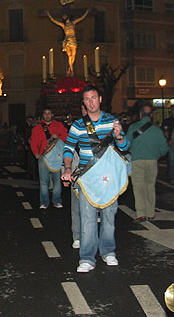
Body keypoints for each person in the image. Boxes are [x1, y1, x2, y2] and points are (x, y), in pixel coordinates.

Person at [62, 85, 129, 271]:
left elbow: (124, 146)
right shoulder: (77, 125)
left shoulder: (112, 121)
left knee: (108, 217)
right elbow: (68, 148)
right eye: (87, 99)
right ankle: (87, 258)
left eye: (94, 98)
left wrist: (119, 136)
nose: (91, 102)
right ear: (83, 102)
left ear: (100, 99)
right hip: (87, 178)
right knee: (87, 219)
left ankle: (108, 251)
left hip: (108, 178)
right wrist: (67, 168)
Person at [125, 103, 168, 221]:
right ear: (152, 115)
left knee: (138, 187)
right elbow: (164, 149)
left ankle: (141, 213)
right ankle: (150, 212)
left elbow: (126, 143)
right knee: (150, 186)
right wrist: (157, 155)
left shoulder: (133, 128)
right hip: (152, 161)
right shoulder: (157, 131)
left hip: (137, 160)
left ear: (140, 114)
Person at [30, 107, 68, 209]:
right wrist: (36, 153)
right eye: (45, 113)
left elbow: (66, 137)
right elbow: (33, 142)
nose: (47, 115)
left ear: (52, 115)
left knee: (57, 181)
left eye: (49, 113)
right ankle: (44, 202)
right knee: (43, 181)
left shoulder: (59, 126)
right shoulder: (37, 128)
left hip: (56, 157)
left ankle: (57, 200)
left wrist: (58, 136)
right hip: (43, 156)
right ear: (43, 115)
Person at [163, 105, 174, 185]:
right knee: (172, 160)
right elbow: (164, 132)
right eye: (173, 110)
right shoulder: (167, 121)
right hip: (170, 143)